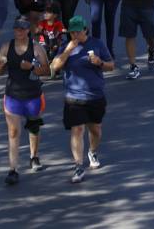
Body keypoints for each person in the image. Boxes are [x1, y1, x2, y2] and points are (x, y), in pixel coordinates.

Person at [49, 16, 114, 184]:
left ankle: (92, 151)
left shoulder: (97, 44)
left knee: (96, 130)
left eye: (78, 30)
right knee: (77, 130)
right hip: (74, 97)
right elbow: (54, 68)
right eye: (72, 31)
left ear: (85, 29)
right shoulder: (66, 46)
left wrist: (99, 62)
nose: (75, 34)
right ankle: (78, 165)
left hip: (94, 95)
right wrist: (68, 50)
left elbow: (111, 66)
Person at [0, 18, 50, 185]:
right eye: (16, 29)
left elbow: (48, 71)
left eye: (21, 29)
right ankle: (13, 170)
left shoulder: (37, 48)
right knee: (13, 132)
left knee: (33, 127)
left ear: (28, 30)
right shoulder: (6, 47)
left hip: (33, 95)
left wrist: (32, 67)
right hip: (13, 95)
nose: (18, 32)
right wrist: (0, 65)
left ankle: (34, 157)